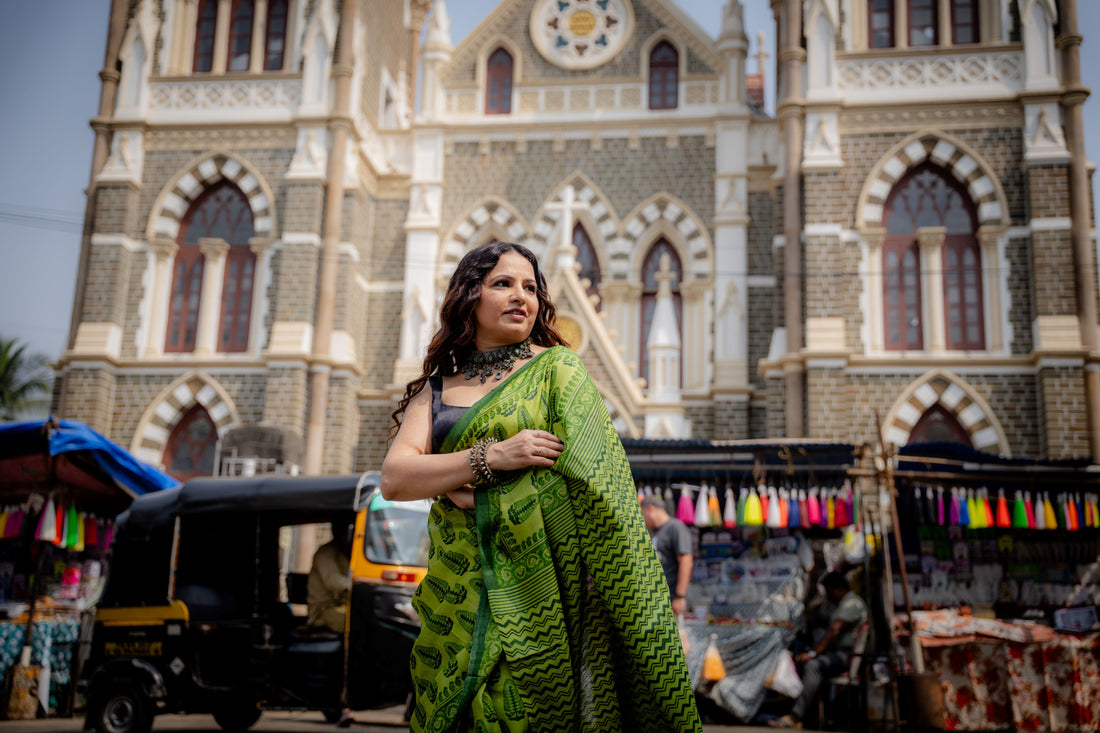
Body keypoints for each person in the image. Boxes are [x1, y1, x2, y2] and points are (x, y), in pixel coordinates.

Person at [381, 242, 701, 732]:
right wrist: (493, 458)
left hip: (545, 597)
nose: (521, 297)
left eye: (530, 287)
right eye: (503, 284)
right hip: (458, 591)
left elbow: (598, 489)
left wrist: (457, 481)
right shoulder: (439, 388)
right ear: (470, 294)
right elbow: (396, 478)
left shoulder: (558, 371)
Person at [770, 570, 869, 729]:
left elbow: (834, 631)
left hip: (848, 655)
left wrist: (813, 653)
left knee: (813, 665)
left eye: (830, 592)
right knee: (805, 664)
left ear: (838, 589)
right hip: (839, 653)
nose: (828, 597)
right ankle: (806, 715)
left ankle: (796, 716)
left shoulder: (852, 603)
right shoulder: (841, 605)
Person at [307, 518, 355, 728]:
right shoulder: (327, 552)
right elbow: (334, 582)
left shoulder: (348, 552)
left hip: (342, 606)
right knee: (357, 626)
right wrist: (360, 583)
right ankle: (343, 699)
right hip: (324, 611)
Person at [640, 494, 693, 616]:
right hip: (657, 600)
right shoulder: (655, 532)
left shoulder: (675, 527)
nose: (642, 519)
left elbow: (686, 561)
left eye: (642, 514)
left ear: (651, 509)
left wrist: (680, 596)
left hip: (671, 599)